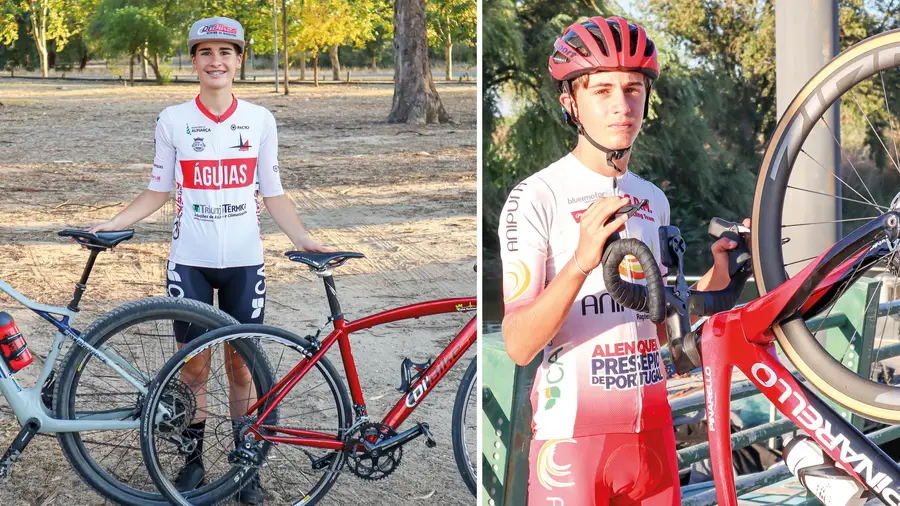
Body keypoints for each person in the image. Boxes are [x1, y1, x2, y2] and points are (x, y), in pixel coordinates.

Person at [498, 16, 746, 505]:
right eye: (602, 90)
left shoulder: (652, 198)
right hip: (572, 442)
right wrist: (580, 263)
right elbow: (519, 344)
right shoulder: (536, 196)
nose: (621, 106)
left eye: (633, 89)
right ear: (571, 102)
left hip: (653, 436)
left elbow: (654, 324)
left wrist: (720, 274)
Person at [88, 16, 324, 504]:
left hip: (244, 263)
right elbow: (158, 190)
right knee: (194, 371)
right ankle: (192, 462)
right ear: (193, 60)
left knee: (242, 369)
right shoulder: (173, 119)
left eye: (226, 52)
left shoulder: (260, 119)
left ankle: (245, 466)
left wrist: (303, 239)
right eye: (205, 52)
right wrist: (111, 222)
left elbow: (274, 193)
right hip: (189, 262)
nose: (216, 61)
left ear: (239, 60)